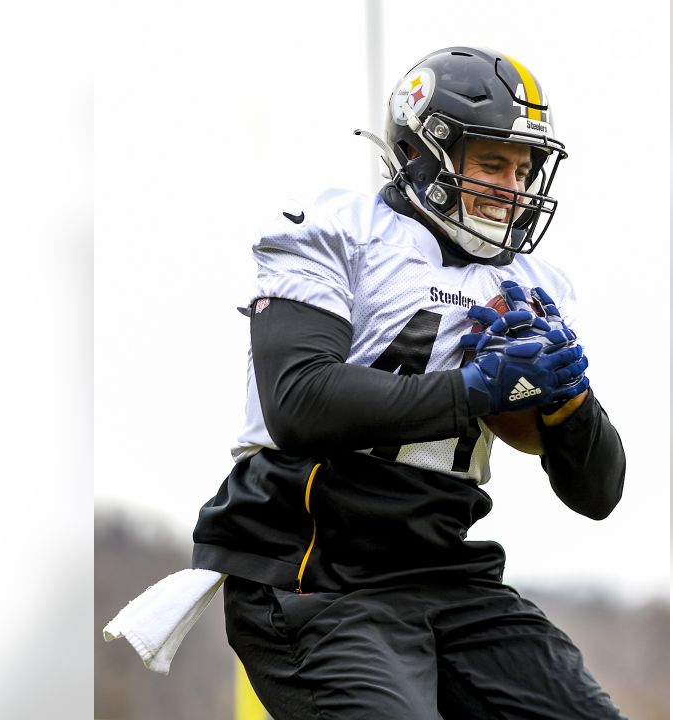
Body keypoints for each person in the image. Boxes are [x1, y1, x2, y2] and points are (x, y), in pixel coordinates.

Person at [191, 46, 628, 719]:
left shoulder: (535, 289)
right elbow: (299, 401)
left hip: (443, 570)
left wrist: (571, 401)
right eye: (492, 163)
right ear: (426, 153)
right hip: (312, 568)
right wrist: (478, 389)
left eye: (522, 169)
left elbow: (598, 494)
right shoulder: (340, 234)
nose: (513, 188)